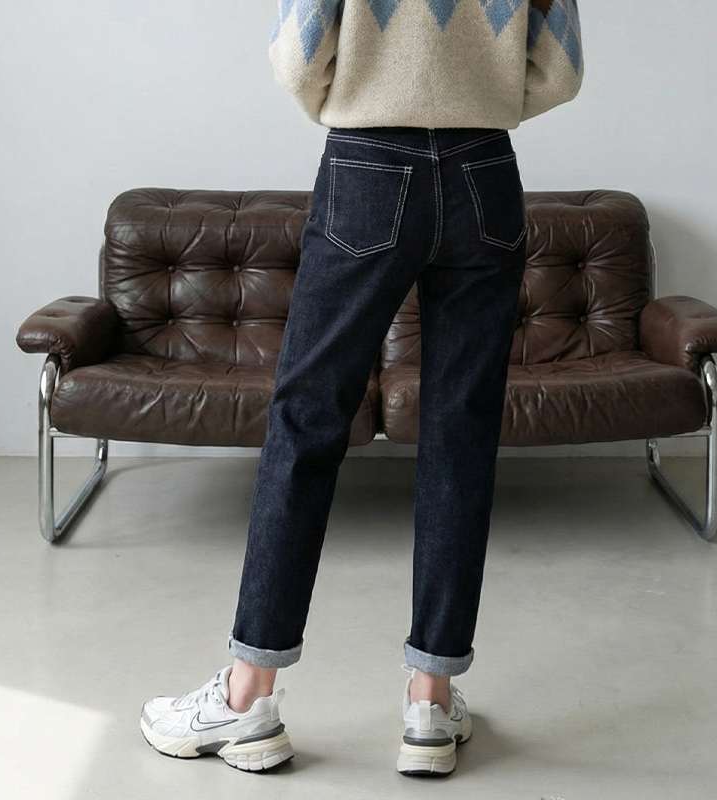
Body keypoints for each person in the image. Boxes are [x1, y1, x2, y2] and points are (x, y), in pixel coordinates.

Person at [140, 0, 583, 777]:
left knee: (307, 422)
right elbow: (560, 69)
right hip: (485, 171)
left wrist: (366, 99)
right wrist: (473, 99)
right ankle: (430, 703)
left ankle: (247, 698)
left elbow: (298, 55)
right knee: (461, 430)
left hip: (369, 163)